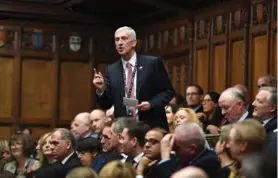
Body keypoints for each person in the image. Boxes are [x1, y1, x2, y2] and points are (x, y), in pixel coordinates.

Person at [93, 26, 174, 130]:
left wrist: (151, 104)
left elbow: (168, 91)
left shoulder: (152, 63)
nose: (120, 43)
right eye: (117, 39)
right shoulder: (112, 69)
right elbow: (106, 104)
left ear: (134, 43)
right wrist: (100, 89)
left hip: (150, 124)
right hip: (124, 129)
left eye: (124, 38)